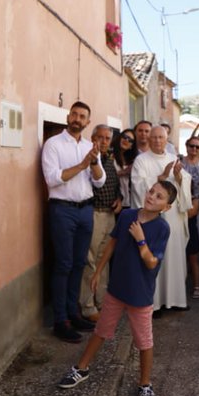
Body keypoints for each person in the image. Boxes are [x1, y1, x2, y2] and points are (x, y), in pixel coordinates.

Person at [57, 181, 176, 396]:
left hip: (140, 294)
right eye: (151, 191)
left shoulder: (162, 228)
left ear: (166, 207)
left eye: (159, 196)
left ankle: (145, 384)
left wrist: (141, 239)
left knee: (144, 341)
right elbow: (112, 243)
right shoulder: (127, 215)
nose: (151, 196)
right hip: (117, 288)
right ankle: (81, 368)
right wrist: (98, 271)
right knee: (101, 329)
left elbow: (152, 262)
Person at [42, 102, 106, 343]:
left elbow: (99, 181)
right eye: (75, 114)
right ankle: (60, 320)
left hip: (85, 210)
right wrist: (81, 165)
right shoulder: (53, 145)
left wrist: (93, 162)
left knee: (79, 264)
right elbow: (52, 179)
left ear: (88, 122)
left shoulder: (91, 147)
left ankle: (73, 312)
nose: (78, 119)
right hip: (63, 210)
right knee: (64, 264)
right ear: (68, 116)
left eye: (83, 117)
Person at [132, 126, 192, 310]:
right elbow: (139, 185)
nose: (158, 140)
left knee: (172, 257)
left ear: (167, 140)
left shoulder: (173, 159)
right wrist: (163, 176)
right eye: (154, 137)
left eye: (161, 137)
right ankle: (155, 304)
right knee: (155, 258)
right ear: (149, 139)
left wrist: (178, 177)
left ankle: (175, 300)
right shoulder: (141, 160)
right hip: (152, 218)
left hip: (173, 216)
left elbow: (185, 183)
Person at [79, 125, 122, 322]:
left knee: (104, 260)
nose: (104, 141)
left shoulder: (110, 158)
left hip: (109, 215)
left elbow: (114, 185)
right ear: (93, 137)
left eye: (107, 138)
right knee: (90, 260)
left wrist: (119, 199)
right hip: (94, 213)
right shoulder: (88, 157)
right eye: (100, 137)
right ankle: (88, 306)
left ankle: (102, 302)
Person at [181, 135, 199, 298]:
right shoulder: (179, 162)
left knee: (192, 251)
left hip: (194, 208)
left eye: (198, 147)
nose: (194, 149)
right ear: (187, 146)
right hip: (177, 208)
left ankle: (197, 285)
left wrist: (196, 204)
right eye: (192, 146)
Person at [112, 128, 136, 204]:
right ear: (120, 137)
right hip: (113, 200)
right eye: (125, 137)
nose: (126, 140)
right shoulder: (109, 154)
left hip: (128, 201)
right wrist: (123, 172)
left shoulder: (132, 159)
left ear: (132, 146)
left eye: (130, 140)